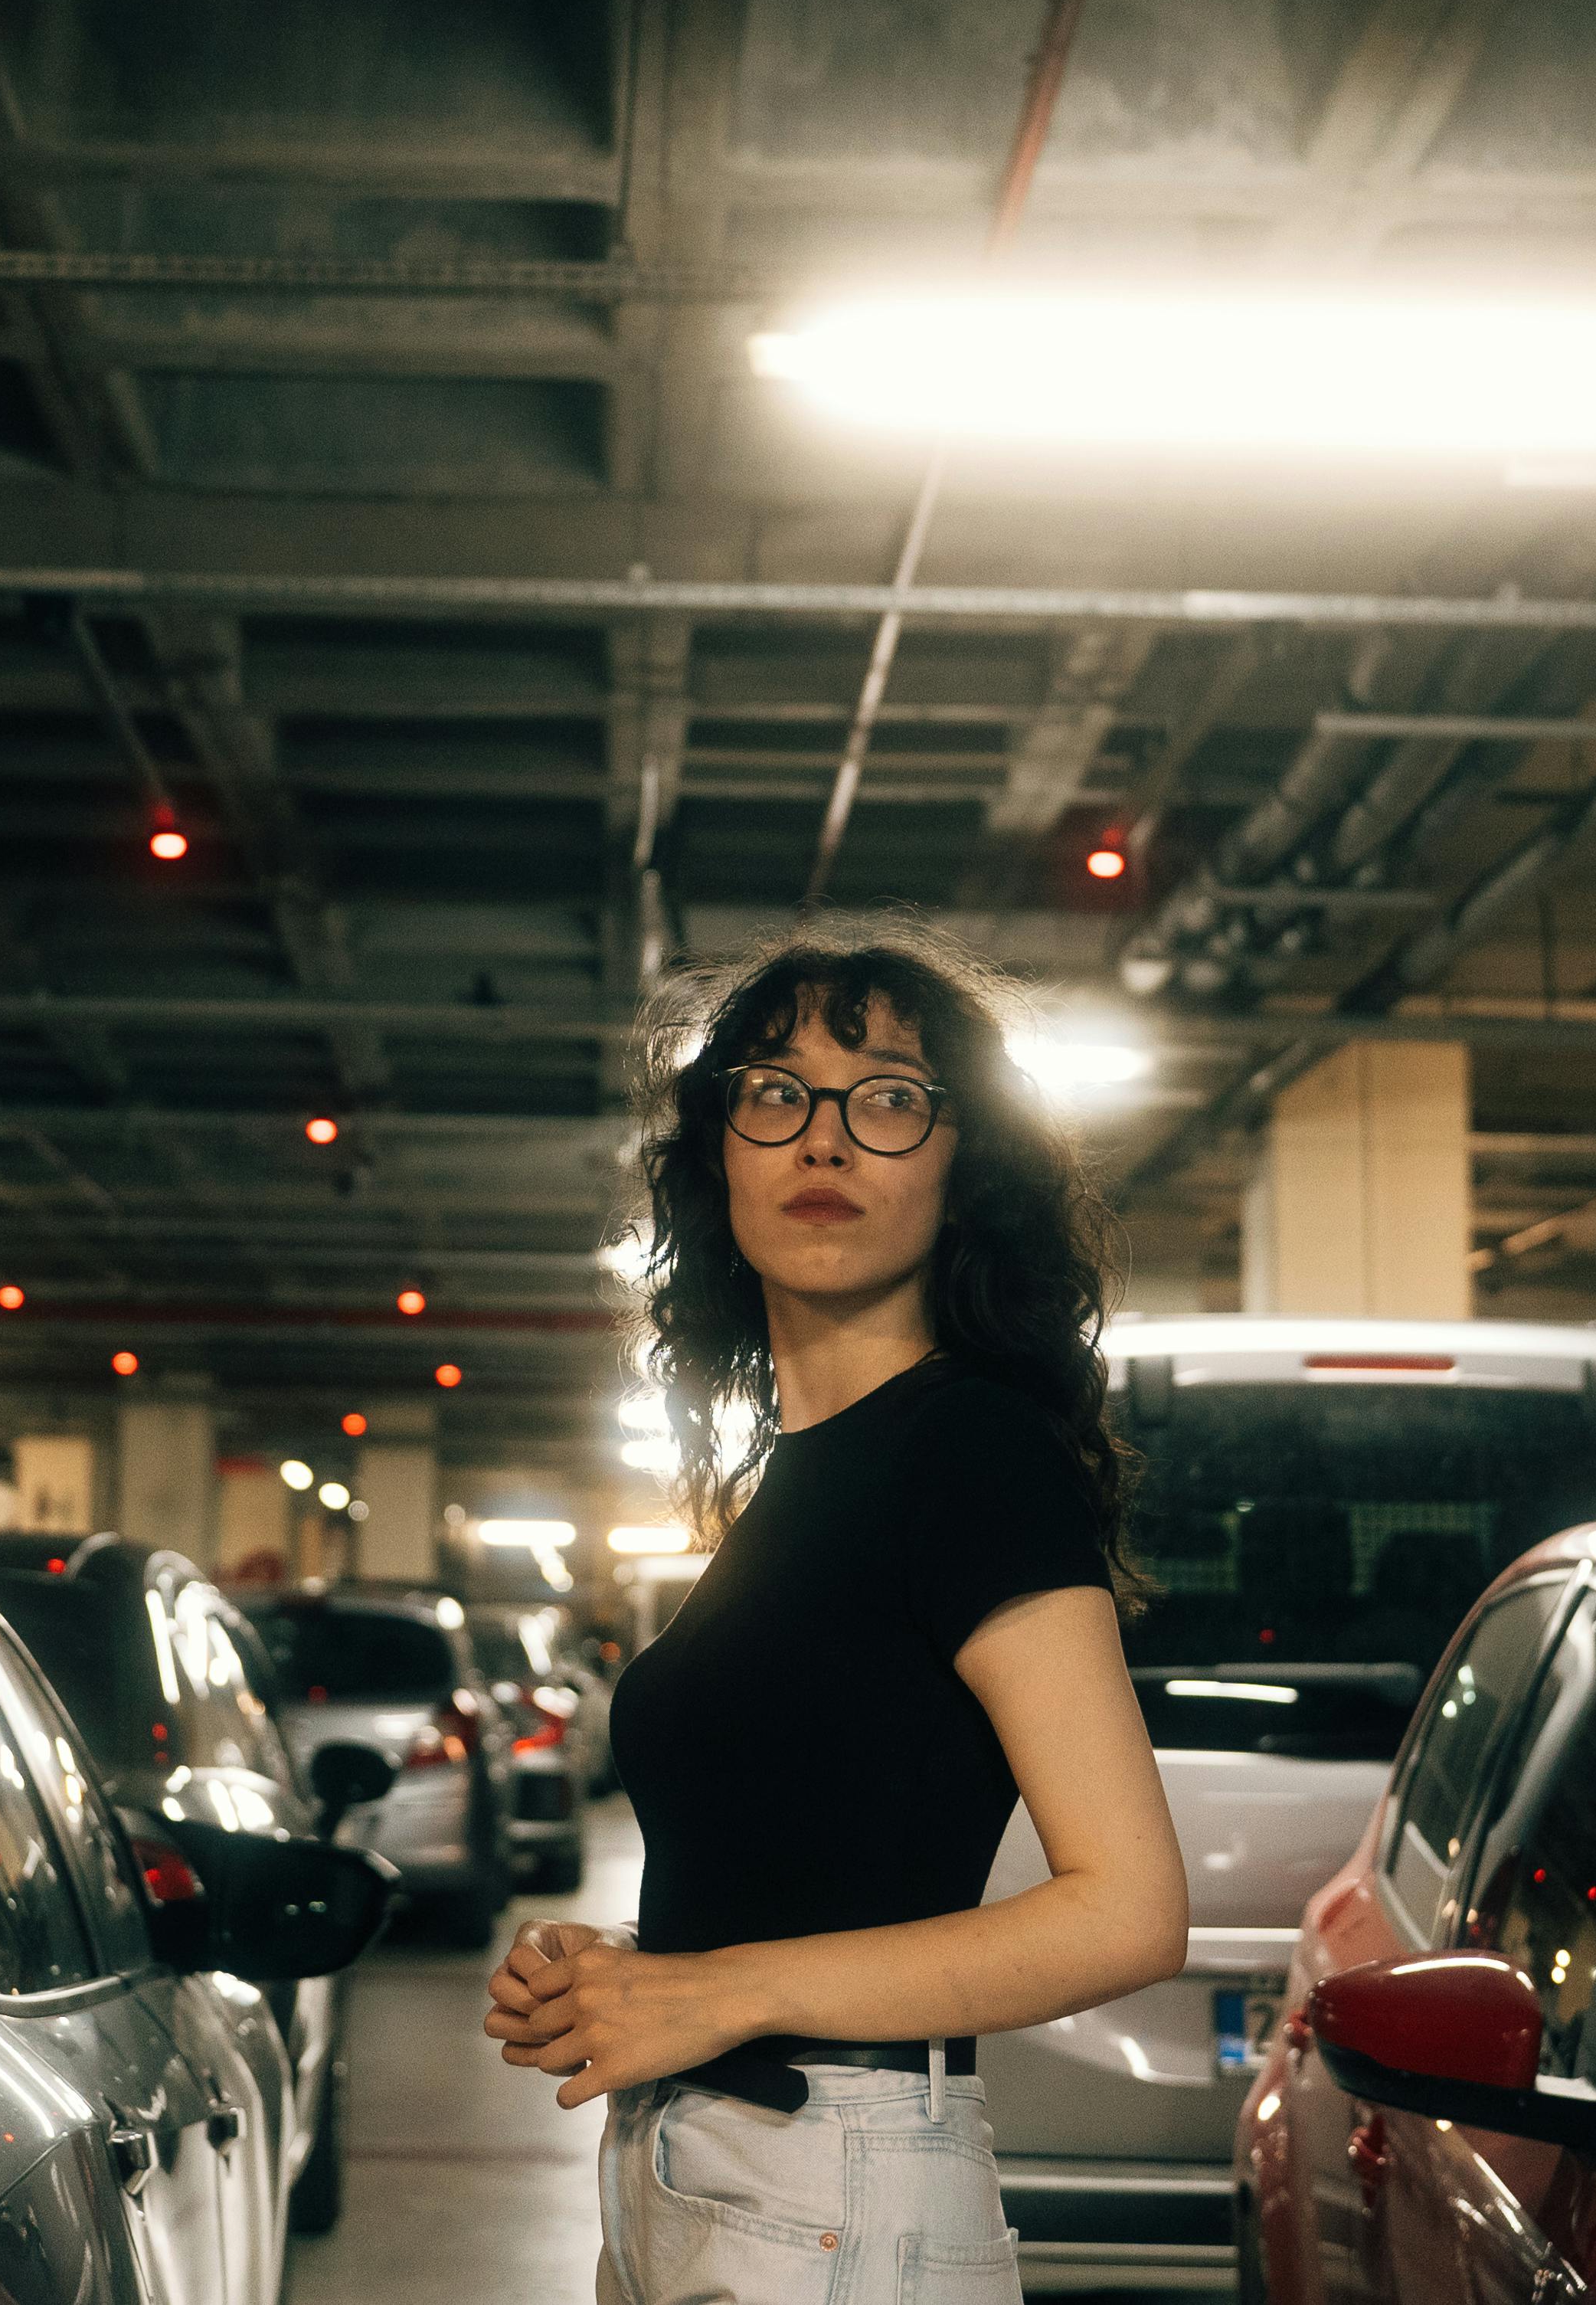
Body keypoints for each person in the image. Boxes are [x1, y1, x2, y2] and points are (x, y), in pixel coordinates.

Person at [482, 922, 1187, 2305]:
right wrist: (634, 1971)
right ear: (721, 1158)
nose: (824, 1140)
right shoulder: (798, 1477)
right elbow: (841, 1860)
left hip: (836, 2184)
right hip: (710, 2168)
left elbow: (1126, 1912)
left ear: (959, 1167)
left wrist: (716, 1994)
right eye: (774, 1092)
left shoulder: (968, 1452)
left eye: (887, 1099)